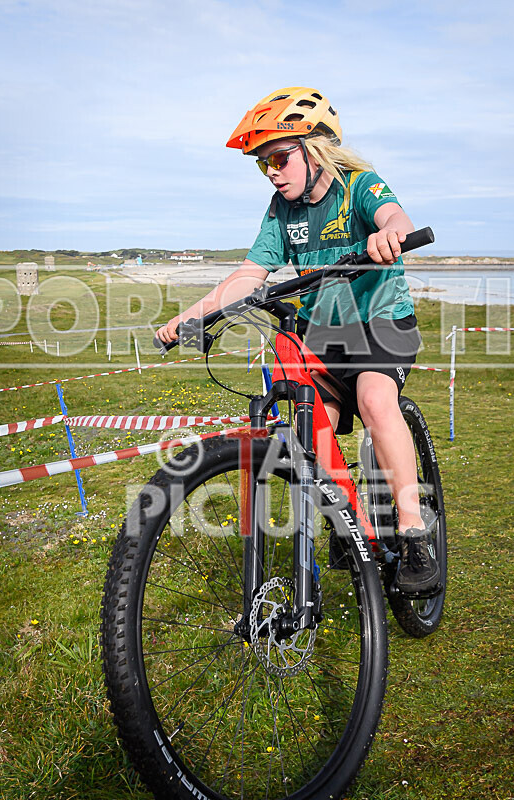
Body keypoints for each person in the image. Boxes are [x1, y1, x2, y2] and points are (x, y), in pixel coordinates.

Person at [157, 86, 439, 594]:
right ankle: (348, 522)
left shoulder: (357, 185)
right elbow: (249, 273)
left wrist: (387, 235)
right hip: (321, 334)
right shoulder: (279, 210)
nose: (272, 171)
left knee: (377, 400)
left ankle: (414, 529)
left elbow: (397, 218)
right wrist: (189, 316)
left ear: (315, 149)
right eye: (263, 163)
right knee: (313, 435)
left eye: (280, 158)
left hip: (379, 323)